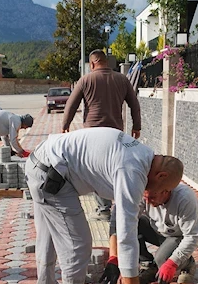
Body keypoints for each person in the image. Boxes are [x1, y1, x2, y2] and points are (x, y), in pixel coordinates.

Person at [26, 127, 184, 284]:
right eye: (163, 189)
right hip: (53, 177)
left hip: (41, 163)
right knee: (77, 244)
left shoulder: (142, 155)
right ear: (161, 175)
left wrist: (115, 258)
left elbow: (120, 211)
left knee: (48, 239)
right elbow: (127, 234)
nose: (158, 194)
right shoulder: (132, 171)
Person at [61, 49, 143, 221]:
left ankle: (104, 209)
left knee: (96, 169)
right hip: (115, 133)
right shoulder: (122, 79)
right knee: (114, 168)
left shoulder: (86, 80)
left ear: (92, 63)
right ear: (107, 62)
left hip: (93, 132)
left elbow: (71, 105)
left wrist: (65, 126)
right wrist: (137, 126)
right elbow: (134, 104)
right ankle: (121, 204)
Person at [110, 183, 198, 284]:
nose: (148, 202)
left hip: (183, 236)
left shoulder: (185, 199)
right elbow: (125, 222)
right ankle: (148, 265)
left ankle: (187, 264)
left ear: (166, 191)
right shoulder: (148, 193)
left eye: (152, 198)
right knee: (132, 224)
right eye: (146, 197)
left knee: (162, 259)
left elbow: (192, 237)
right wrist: (121, 262)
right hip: (160, 231)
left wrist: (172, 263)